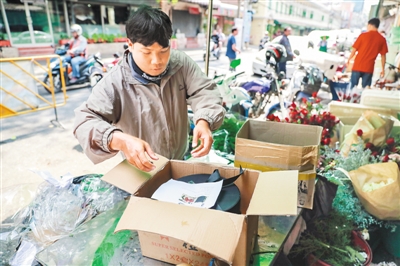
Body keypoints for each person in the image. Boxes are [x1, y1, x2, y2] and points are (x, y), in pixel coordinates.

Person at [73, 6, 225, 172]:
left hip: (180, 160)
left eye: (163, 51)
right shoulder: (115, 82)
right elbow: (85, 121)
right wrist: (120, 140)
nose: (157, 61)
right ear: (130, 45)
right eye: (146, 52)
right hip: (142, 168)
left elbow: (204, 90)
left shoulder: (181, 63)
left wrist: (204, 120)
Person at [347, 18, 388, 88]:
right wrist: (383, 69)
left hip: (357, 65)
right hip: (369, 68)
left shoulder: (363, 35)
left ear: (370, 25)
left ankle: (351, 99)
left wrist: (349, 60)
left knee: (352, 88)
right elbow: (383, 56)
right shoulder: (382, 39)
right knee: (365, 89)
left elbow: (354, 50)